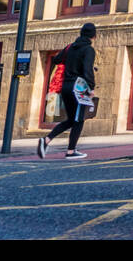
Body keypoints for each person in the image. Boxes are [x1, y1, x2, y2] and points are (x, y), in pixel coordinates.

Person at [38, 23, 97, 160]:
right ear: (94, 35)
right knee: (79, 119)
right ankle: (71, 151)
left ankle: (46, 140)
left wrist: (71, 63)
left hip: (66, 87)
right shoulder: (88, 49)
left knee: (71, 119)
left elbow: (57, 59)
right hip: (78, 88)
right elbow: (87, 69)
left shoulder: (70, 47)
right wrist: (91, 87)